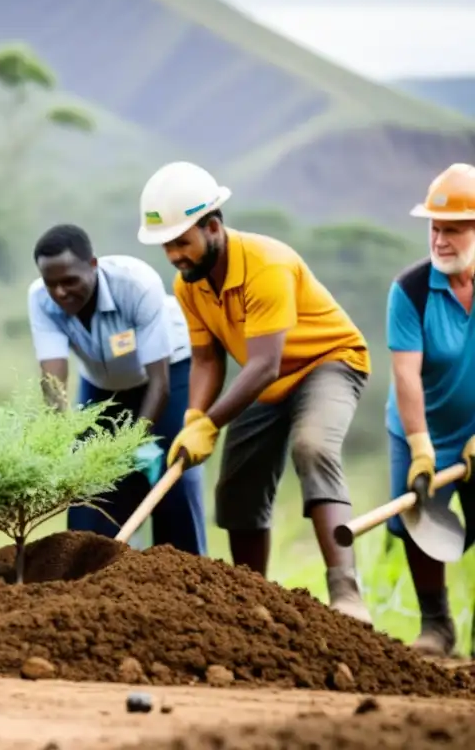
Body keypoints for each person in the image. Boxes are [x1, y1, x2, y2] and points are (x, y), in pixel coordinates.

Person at [137, 160, 372, 623]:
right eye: (166, 246)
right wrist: (193, 417)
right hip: (266, 380)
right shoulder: (188, 284)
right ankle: (251, 602)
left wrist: (211, 424)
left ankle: (347, 594)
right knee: (236, 483)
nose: (174, 256)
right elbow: (208, 359)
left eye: (182, 242)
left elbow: (263, 365)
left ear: (213, 227)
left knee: (311, 446)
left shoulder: (267, 264)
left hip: (327, 362)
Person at [27, 224, 207, 555]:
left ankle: (187, 577)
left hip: (170, 373)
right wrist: (59, 444)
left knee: (172, 476)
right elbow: (54, 384)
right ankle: (88, 574)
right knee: (90, 481)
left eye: (70, 281)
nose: (61, 293)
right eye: (52, 284)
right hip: (102, 385)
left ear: (93, 266)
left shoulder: (136, 284)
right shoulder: (40, 298)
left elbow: (160, 383)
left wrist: (134, 444)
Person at [384, 163, 475, 656]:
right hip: (418, 428)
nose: (439, 240)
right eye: (434, 228)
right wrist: (421, 447)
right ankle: (437, 627)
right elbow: (405, 375)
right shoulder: (411, 291)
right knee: (421, 520)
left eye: (453, 229)